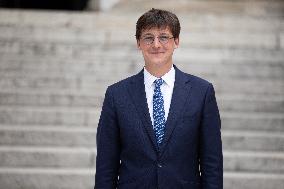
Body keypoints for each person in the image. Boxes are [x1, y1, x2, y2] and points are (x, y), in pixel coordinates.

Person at [95, 8, 223, 189]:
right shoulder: (116, 95)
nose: (156, 44)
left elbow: (212, 163)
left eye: (164, 37)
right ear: (138, 42)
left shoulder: (201, 92)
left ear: (176, 41)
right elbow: (106, 165)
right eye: (148, 37)